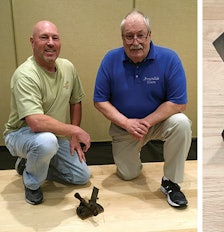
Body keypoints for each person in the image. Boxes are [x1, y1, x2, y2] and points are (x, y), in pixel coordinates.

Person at [93, 9, 192, 207]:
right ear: (122, 38)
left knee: (181, 123)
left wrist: (145, 123)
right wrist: (127, 123)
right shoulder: (109, 60)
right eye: (129, 36)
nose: (135, 41)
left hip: (157, 123)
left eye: (140, 35)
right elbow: (99, 100)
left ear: (149, 35)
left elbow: (179, 102)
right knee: (128, 175)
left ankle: (171, 182)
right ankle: (133, 159)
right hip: (124, 127)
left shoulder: (170, 59)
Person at [3, 21, 91, 205]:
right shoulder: (25, 75)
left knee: (81, 176)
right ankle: (33, 182)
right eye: (44, 37)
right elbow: (35, 122)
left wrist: (74, 134)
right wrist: (74, 131)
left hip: (54, 136)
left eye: (55, 38)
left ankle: (30, 163)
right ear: (32, 42)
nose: (50, 42)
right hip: (21, 134)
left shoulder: (67, 67)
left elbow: (76, 101)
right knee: (46, 142)